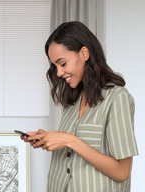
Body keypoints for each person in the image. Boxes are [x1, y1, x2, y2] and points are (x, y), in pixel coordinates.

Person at [21, 21, 138, 191]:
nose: (59, 73)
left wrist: (69, 140)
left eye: (62, 63)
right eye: (55, 66)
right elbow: (69, 152)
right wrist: (48, 138)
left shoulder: (117, 98)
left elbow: (121, 172)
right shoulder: (72, 102)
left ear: (84, 53)